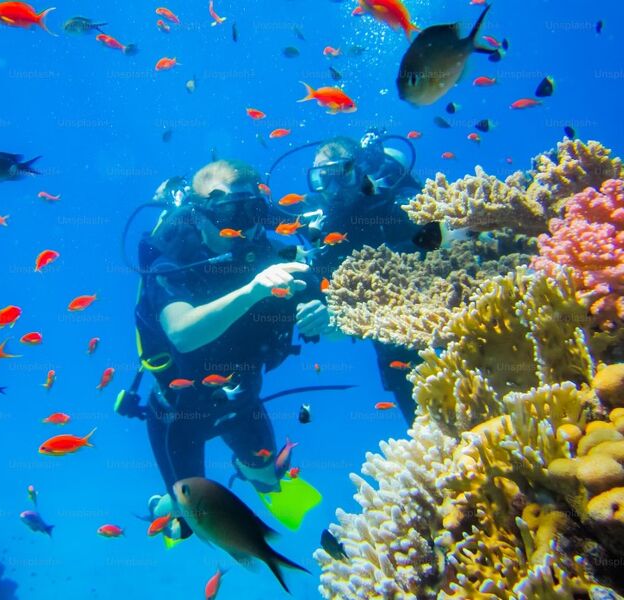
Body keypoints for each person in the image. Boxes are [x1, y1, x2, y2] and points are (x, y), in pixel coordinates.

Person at [131, 160, 330, 539]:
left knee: (267, 477)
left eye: (252, 211)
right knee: (189, 520)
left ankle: (251, 478)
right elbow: (183, 333)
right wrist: (253, 289)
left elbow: (337, 325)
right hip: (180, 410)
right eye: (227, 211)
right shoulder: (170, 258)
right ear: (199, 211)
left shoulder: (275, 256)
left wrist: (324, 318)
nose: (243, 226)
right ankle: (161, 507)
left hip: (241, 397)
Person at [302, 133, 423, 424]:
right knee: (413, 401)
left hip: (430, 309)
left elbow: (429, 246)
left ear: (360, 173)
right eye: (323, 178)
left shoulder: (391, 203)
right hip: (388, 337)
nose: (333, 188)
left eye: (342, 176)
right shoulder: (320, 221)